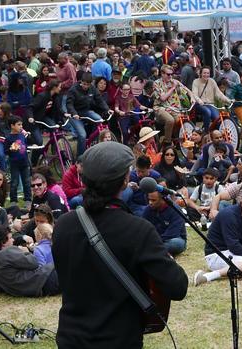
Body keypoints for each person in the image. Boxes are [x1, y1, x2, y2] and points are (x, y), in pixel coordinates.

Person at [51, 142, 188, 347]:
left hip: (71, 338)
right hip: (119, 340)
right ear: (125, 180)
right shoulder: (137, 230)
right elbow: (177, 287)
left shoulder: (63, 225)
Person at [0, 226, 59, 297]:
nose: (13, 240)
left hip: (35, 289)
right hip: (45, 280)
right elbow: (34, 262)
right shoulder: (7, 252)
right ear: (3, 242)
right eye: (11, 238)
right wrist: (25, 252)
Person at [142, 190, 188, 256]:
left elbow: (172, 234)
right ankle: (155, 251)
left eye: (153, 200)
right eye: (149, 199)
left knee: (175, 243)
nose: (150, 203)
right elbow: (143, 228)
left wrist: (152, 242)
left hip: (174, 239)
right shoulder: (148, 209)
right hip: (154, 240)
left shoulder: (176, 210)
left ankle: (150, 250)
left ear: (163, 200)